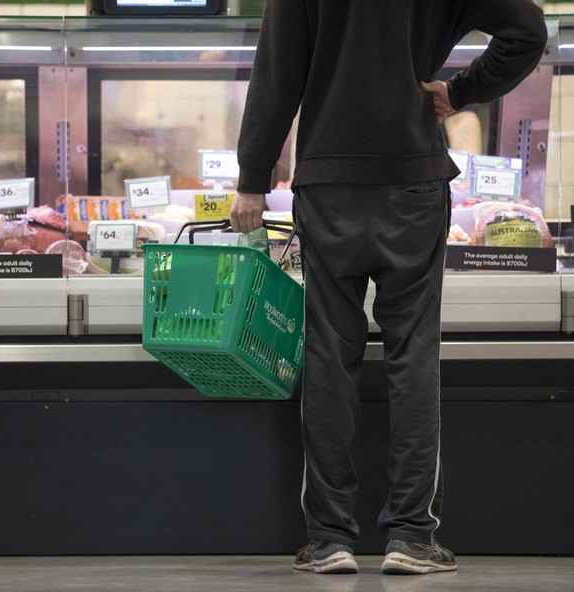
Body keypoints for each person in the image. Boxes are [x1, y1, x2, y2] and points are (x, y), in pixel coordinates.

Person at [230, 0, 547, 576]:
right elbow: (526, 32)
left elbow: (276, 71)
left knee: (329, 355)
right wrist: (462, 90)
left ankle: (329, 538)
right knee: (414, 356)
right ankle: (412, 537)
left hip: (329, 188)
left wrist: (253, 177)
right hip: (415, 185)